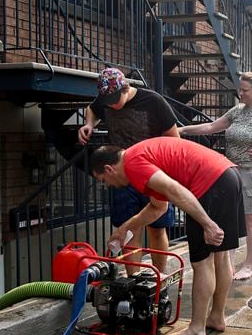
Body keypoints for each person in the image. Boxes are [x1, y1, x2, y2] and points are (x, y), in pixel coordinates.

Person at [90, 137, 244, 335]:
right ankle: (216, 317)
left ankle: (196, 330)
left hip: (210, 185)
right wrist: (125, 228)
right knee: (221, 256)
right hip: (227, 176)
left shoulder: (133, 164)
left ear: (109, 169)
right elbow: (158, 207)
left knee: (202, 262)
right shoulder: (140, 156)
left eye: (103, 181)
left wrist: (207, 223)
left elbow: (175, 191)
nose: (108, 185)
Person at [179, 72, 252, 281]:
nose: (240, 93)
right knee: (230, 218)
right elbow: (211, 127)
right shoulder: (237, 111)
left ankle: (248, 265)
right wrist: (183, 130)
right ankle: (229, 265)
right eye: (239, 89)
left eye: (245, 90)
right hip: (231, 171)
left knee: (250, 219)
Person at [77, 67, 180, 275]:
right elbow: (93, 109)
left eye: (116, 99)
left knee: (157, 228)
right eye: (108, 102)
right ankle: (135, 279)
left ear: (126, 88)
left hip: (152, 174)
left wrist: (165, 172)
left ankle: (158, 278)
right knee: (129, 228)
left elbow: (174, 139)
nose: (113, 105)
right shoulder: (105, 99)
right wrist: (88, 124)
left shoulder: (153, 101)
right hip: (121, 176)